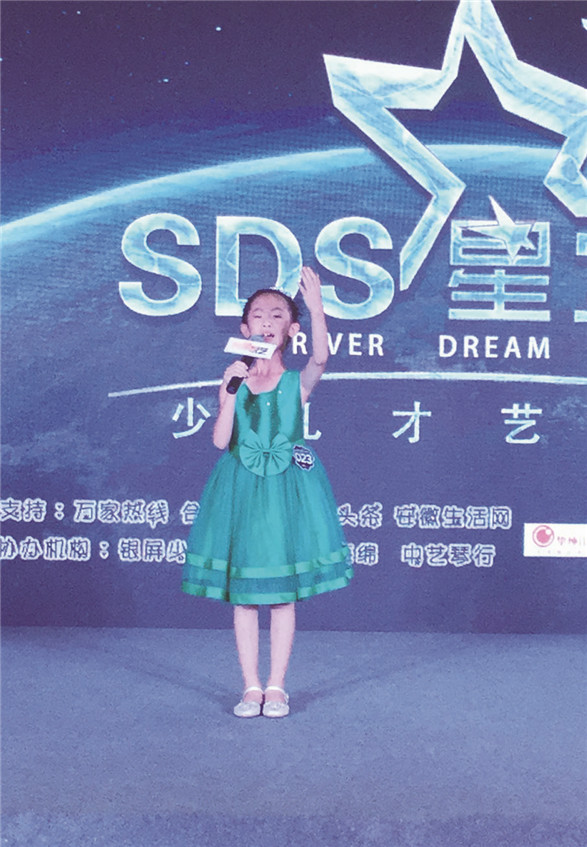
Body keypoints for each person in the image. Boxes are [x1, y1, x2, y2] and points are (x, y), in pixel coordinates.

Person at [182, 266, 353, 718]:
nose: (267, 321)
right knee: (244, 594)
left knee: (281, 594)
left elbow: (320, 359)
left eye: (278, 315)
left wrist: (317, 308)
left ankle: (277, 686)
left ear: (291, 329)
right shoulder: (235, 380)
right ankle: (250, 687)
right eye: (258, 315)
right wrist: (229, 390)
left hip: (285, 490)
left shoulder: (296, 382)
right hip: (240, 487)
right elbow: (220, 440)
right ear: (245, 329)